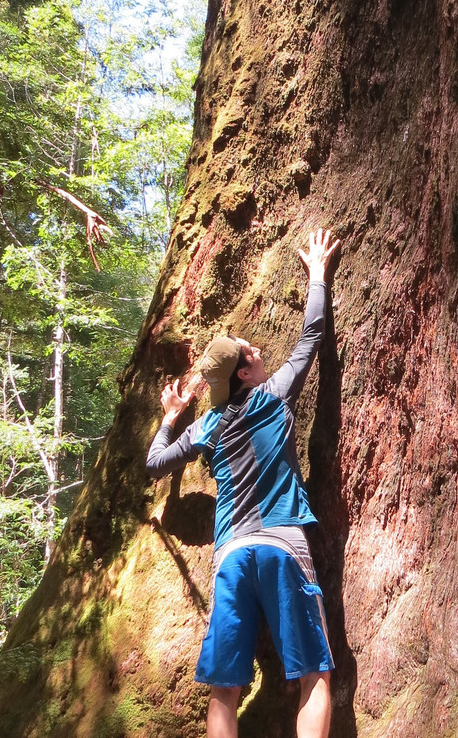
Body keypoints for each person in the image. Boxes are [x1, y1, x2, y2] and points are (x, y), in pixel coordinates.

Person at [146, 228, 341, 738]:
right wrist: (317, 275)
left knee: (224, 691)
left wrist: (169, 416)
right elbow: (313, 335)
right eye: (251, 352)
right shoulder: (273, 395)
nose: (258, 351)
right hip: (281, 543)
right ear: (246, 374)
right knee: (314, 675)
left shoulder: (207, 426)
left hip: (232, 553)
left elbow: (155, 463)